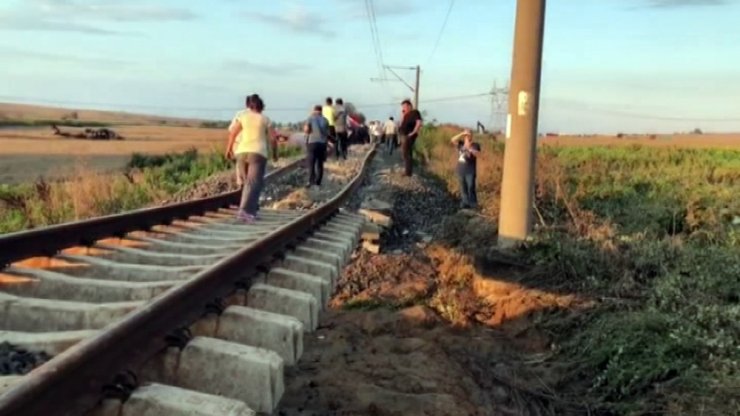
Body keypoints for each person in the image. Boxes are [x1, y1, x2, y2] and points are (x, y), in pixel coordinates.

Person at [225, 94, 271, 224]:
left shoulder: (242, 116)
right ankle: (246, 212)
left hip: (241, 151)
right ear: (261, 106)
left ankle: (248, 211)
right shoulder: (264, 119)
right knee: (254, 183)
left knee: (246, 183)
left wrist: (228, 149)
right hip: (257, 152)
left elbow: (233, 132)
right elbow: (273, 138)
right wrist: (275, 152)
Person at [450, 129, 481, 209]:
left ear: (471, 136)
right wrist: (461, 133)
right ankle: (465, 203)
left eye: (469, 134)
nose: (468, 136)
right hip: (460, 170)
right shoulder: (461, 144)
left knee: (471, 187)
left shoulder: (475, 145)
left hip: (470, 171)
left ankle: (473, 204)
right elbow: (452, 139)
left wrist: (470, 150)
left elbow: (477, 154)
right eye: (466, 135)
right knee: (463, 188)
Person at [228, 95, 253, 186]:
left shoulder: (240, 114)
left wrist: (230, 148)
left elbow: (231, 130)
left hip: (240, 145)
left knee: (240, 166)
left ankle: (241, 185)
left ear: (246, 104)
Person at [303, 105, 330, 187]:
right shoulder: (325, 120)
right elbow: (327, 133)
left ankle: (312, 181)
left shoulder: (310, 118)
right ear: (321, 111)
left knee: (311, 163)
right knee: (320, 163)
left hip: (312, 143)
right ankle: (318, 182)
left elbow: (307, 130)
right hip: (322, 143)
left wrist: (307, 131)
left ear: (314, 110)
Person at [398, 99, 423, 176]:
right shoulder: (406, 115)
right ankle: (407, 171)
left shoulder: (415, 113)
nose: (403, 108)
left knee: (406, 153)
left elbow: (418, 123)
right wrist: (403, 114)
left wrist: (413, 132)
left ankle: (408, 172)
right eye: (402, 107)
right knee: (405, 153)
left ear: (409, 106)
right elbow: (401, 123)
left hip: (408, 135)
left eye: (404, 106)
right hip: (403, 135)